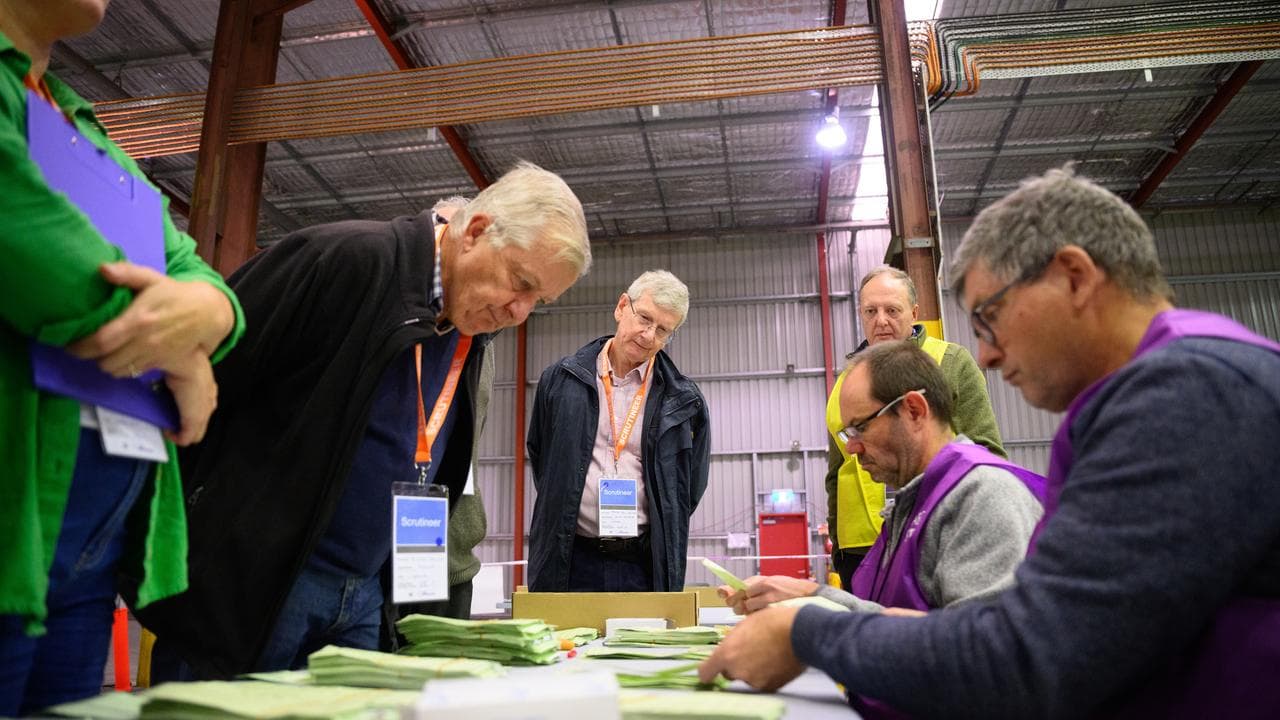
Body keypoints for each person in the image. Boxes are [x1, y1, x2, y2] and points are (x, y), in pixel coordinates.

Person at [699, 167, 1280, 718]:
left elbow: (1028, 658)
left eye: (989, 317)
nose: (986, 355)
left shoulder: (1186, 394)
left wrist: (807, 630)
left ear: (1074, 277)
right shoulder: (1165, 387)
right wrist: (816, 602)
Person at [139, 162, 591, 680]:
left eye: (539, 301)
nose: (521, 312)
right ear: (476, 231)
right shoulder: (344, 261)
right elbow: (194, 379)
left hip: (365, 595)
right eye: (521, 283)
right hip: (258, 587)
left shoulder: (467, 330)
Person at [0, 2, 244, 714]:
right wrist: (186, 358)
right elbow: (37, 249)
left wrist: (214, 313)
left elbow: (194, 269)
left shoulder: (81, 122)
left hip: (96, 542)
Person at [722, 341, 1043, 620]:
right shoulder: (915, 505)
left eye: (860, 428)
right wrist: (808, 597)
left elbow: (981, 650)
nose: (851, 447)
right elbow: (891, 618)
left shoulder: (982, 498)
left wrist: (812, 618)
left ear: (914, 410)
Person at [527, 270, 710, 592]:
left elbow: (689, 487)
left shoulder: (685, 400)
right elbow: (543, 458)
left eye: (663, 330)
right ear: (622, 306)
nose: (648, 335)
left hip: (645, 564)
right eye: (644, 318)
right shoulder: (560, 380)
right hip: (568, 558)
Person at [826, 266, 1004, 590]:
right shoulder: (846, 383)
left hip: (935, 531)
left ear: (914, 313)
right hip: (861, 549)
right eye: (870, 311)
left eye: (892, 310)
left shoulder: (951, 363)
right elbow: (837, 473)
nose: (881, 321)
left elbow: (987, 452)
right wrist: (839, 547)